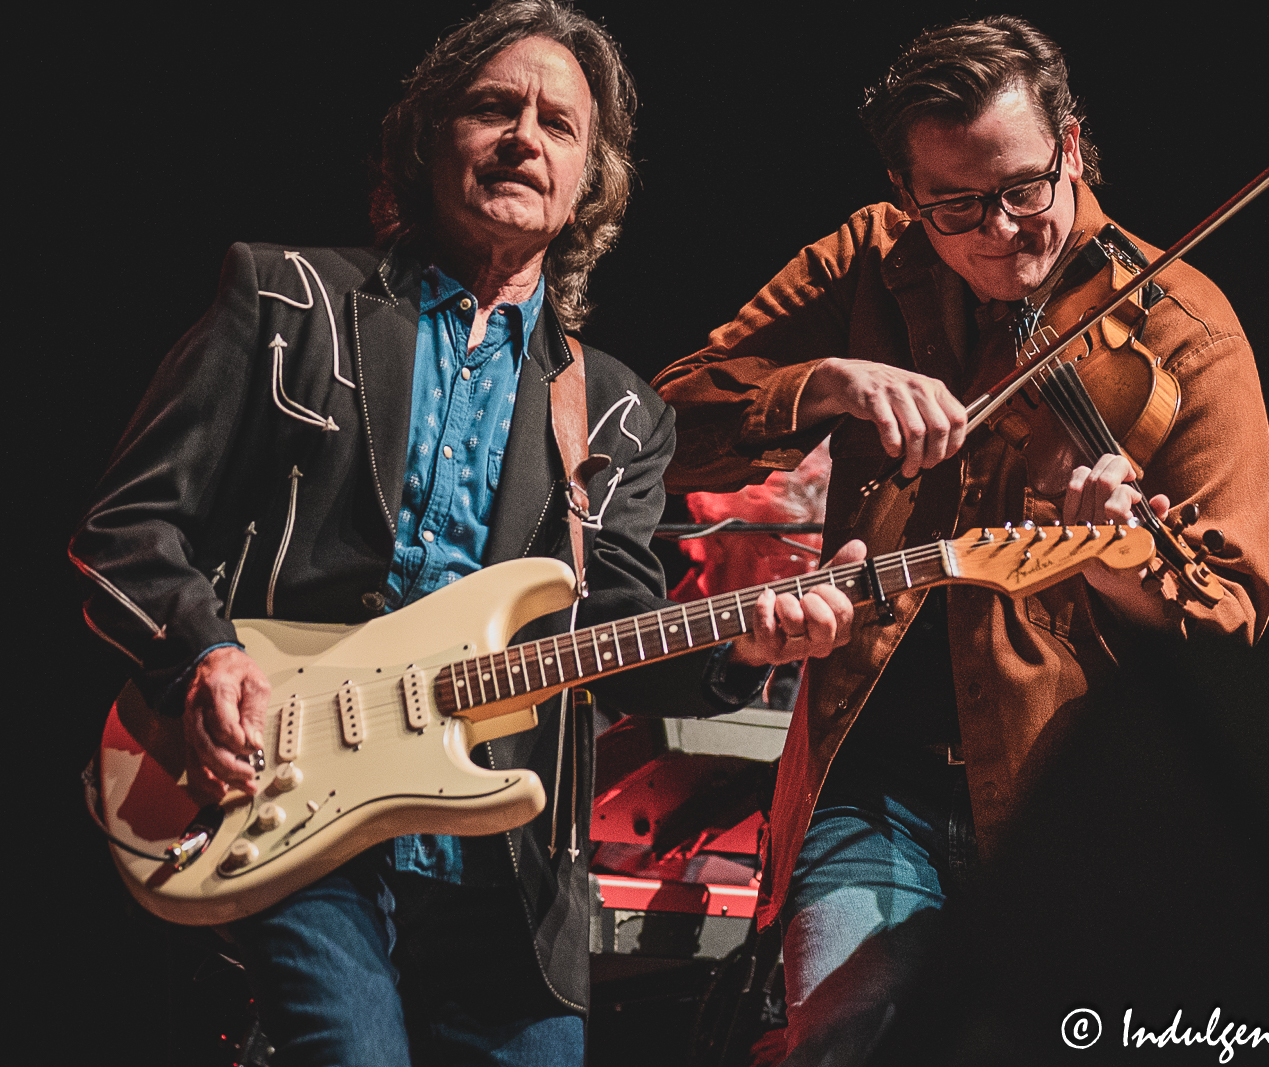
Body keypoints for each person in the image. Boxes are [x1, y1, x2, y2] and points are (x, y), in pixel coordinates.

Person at [69, 2, 851, 1063]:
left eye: (559, 125)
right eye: (494, 107)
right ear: (428, 137)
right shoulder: (290, 300)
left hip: (506, 883)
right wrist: (202, 650)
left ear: (589, 183)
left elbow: (610, 632)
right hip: (287, 808)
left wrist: (741, 638)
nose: (525, 137)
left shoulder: (616, 410)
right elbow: (128, 525)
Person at [652, 15, 1269, 1063]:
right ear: (907, 193)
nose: (1000, 232)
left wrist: (1116, 555)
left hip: (1069, 807)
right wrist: (823, 385)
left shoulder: (1181, 330)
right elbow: (661, 428)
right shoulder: (867, 264)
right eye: (954, 205)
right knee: (843, 1038)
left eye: (1024, 187)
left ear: (1070, 148)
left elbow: (1229, 615)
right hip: (869, 787)